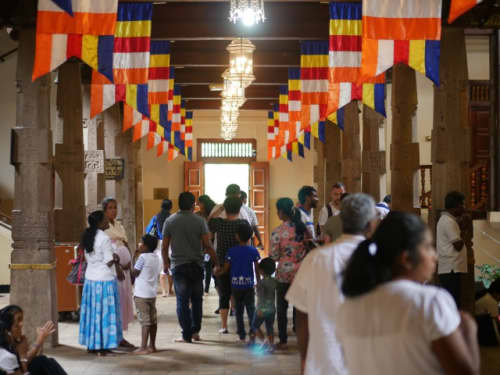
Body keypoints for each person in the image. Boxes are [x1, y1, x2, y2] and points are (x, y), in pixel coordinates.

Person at [338, 212, 480, 375]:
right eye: (427, 247)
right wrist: (469, 331)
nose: (434, 256)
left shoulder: (347, 308)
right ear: (406, 259)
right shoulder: (429, 301)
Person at [286, 193, 378, 375]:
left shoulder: (316, 259)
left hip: (324, 361)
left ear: (342, 221)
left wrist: (304, 358)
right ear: (370, 224)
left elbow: (301, 314)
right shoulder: (381, 259)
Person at [162, 192, 217, 343]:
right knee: (197, 300)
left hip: (178, 267)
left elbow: (165, 245)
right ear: (193, 204)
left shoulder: (170, 221)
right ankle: (195, 332)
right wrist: (216, 262)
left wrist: (165, 263)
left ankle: (186, 334)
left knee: (182, 301)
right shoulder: (199, 221)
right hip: (196, 266)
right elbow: (208, 244)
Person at [79, 210, 123, 355]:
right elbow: (109, 261)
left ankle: (93, 345)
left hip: (91, 280)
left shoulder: (87, 236)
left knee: (93, 314)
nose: (107, 221)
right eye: (104, 219)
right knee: (105, 315)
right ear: (99, 223)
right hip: (105, 281)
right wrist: (116, 258)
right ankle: (103, 346)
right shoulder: (104, 238)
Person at [270, 198, 308, 349]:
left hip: (284, 275)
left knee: (281, 307)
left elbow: (274, 256)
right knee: (299, 306)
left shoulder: (278, 232)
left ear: (281, 212)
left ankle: (283, 339)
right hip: (300, 273)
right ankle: (300, 335)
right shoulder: (302, 229)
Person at [209, 196, 248, 334]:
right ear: (240, 208)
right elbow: (247, 243)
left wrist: (219, 210)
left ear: (225, 208)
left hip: (221, 263)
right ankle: (239, 325)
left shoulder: (219, 223)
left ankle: (224, 326)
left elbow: (208, 222)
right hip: (239, 264)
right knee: (238, 295)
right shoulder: (243, 223)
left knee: (224, 295)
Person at [218, 222, 260, 343]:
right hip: (249, 285)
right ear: (250, 236)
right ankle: (252, 334)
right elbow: (256, 269)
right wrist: (259, 282)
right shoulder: (253, 251)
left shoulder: (231, 251)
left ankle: (241, 335)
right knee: (251, 310)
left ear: (237, 236)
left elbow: (226, 268)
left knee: (239, 311)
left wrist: (218, 272)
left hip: (236, 286)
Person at [102, 198, 134, 347]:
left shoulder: (119, 225)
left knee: (124, 299)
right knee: (115, 302)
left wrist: (129, 260)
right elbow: (107, 251)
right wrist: (118, 266)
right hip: (114, 269)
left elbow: (125, 243)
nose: (113, 210)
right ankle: (112, 336)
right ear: (104, 210)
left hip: (125, 268)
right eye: (110, 208)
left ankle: (120, 335)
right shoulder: (103, 228)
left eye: (115, 207)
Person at [0, 305, 66, 375]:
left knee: (41, 361)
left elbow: (29, 358)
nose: (21, 324)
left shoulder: (10, 344)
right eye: (18, 321)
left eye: (21, 320)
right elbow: (24, 367)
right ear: (7, 329)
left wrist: (41, 340)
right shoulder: (6, 356)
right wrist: (22, 356)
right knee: (43, 362)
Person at [437, 191, 471, 308]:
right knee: (453, 304)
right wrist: (466, 231)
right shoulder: (448, 222)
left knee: (453, 302)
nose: (465, 208)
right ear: (457, 206)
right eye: (463, 205)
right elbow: (458, 246)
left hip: (450, 268)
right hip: (451, 269)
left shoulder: (448, 220)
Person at [132, 234, 162, 354]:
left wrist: (134, 257)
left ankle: (143, 347)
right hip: (151, 293)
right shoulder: (156, 258)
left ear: (146, 246)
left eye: (141, 242)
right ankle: (152, 346)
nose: (139, 244)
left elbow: (134, 273)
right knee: (152, 321)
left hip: (141, 294)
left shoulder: (142, 257)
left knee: (145, 321)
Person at [145, 199, 174, 297]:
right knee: (171, 267)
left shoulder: (155, 217)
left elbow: (148, 230)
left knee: (162, 267)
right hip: (171, 243)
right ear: (170, 207)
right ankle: (170, 290)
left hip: (160, 244)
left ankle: (163, 291)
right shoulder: (172, 218)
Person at [250, 258, 278, 352]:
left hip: (261, 309)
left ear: (261, 270)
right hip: (272, 309)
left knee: (255, 325)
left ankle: (264, 341)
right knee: (269, 327)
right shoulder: (275, 281)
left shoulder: (261, 283)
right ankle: (271, 345)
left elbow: (261, 296)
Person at [198, 195, 217, 294]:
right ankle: (203, 288)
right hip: (202, 244)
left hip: (209, 244)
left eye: (199, 203)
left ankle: (206, 288)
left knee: (209, 267)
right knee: (204, 267)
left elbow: (213, 231)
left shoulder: (212, 215)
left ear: (203, 203)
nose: (197, 205)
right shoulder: (198, 214)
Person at [475, 278, 500, 345]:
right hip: (484, 336)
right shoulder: (491, 301)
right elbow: (496, 322)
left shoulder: (486, 297)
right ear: (496, 292)